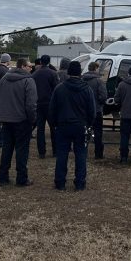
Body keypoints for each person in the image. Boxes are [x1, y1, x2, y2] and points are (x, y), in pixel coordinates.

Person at [49, 60, 95, 191]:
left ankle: (60, 182)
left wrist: (54, 124)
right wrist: (89, 124)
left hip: (63, 125)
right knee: (81, 154)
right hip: (81, 126)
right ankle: (80, 183)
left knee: (62, 154)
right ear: (80, 72)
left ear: (68, 72)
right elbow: (92, 110)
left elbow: (52, 109)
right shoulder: (87, 89)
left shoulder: (60, 88)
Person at [0, 58, 37, 187]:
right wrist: (33, 120)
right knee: (22, 150)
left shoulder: (4, 79)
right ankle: (22, 178)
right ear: (23, 66)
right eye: (30, 66)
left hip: (6, 119)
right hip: (22, 120)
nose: (31, 69)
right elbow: (31, 104)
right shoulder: (28, 81)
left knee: (6, 148)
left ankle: (3, 176)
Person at [32, 54, 60, 158]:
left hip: (38, 104)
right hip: (50, 104)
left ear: (40, 62)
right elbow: (56, 88)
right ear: (49, 62)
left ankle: (41, 152)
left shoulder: (35, 74)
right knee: (53, 128)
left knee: (40, 129)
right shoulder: (53, 73)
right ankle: (55, 151)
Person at [82, 61, 108, 159]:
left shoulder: (82, 80)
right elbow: (103, 96)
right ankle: (98, 154)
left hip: (83, 111)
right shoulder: (99, 81)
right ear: (96, 69)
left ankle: (83, 152)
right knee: (98, 133)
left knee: (84, 132)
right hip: (96, 111)